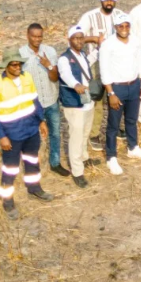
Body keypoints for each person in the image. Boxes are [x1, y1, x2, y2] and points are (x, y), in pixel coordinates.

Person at [0, 48, 52, 219]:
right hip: (12, 135)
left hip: (31, 130)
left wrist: (41, 120)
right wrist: (2, 136)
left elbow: (35, 101)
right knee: (11, 168)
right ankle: (7, 201)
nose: (17, 67)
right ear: (6, 66)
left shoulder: (27, 77)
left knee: (32, 160)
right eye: (13, 65)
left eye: (19, 64)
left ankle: (34, 188)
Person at [99, 11, 141, 175]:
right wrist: (111, 93)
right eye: (121, 26)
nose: (124, 29)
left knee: (131, 119)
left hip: (134, 85)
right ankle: (111, 157)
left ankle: (133, 147)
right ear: (115, 27)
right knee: (113, 124)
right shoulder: (108, 44)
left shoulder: (135, 41)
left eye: (127, 25)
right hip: (117, 88)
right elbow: (104, 70)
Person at [19, 23, 64, 177]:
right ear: (27, 35)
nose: (37, 39)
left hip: (51, 100)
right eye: (34, 36)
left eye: (40, 36)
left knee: (55, 133)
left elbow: (55, 77)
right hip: (33, 103)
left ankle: (55, 162)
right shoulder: (20, 55)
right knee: (32, 136)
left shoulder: (49, 51)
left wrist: (49, 65)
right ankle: (33, 167)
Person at [78, 0, 119, 149]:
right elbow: (76, 36)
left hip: (117, 63)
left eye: (112, 0)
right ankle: (94, 134)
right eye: (106, 0)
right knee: (98, 100)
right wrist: (94, 39)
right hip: (96, 63)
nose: (109, 3)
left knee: (117, 96)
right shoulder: (90, 16)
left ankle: (117, 129)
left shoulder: (119, 15)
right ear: (101, 0)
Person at [57, 26, 96, 188]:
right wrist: (76, 84)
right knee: (76, 137)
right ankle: (77, 172)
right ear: (69, 40)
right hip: (74, 103)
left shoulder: (83, 55)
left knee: (85, 133)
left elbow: (91, 60)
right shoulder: (64, 59)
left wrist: (100, 46)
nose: (79, 41)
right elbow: (65, 74)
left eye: (81, 38)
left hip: (87, 102)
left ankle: (84, 157)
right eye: (75, 38)